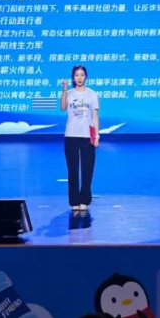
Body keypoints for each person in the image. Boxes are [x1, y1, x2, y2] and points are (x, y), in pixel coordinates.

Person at [61, 64, 100, 211]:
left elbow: (95, 117)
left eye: (82, 75)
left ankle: (85, 199)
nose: (79, 78)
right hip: (71, 135)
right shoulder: (69, 93)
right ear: (73, 77)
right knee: (72, 170)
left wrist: (96, 135)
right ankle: (74, 201)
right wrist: (64, 89)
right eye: (76, 75)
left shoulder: (92, 95)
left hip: (87, 136)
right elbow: (63, 107)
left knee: (87, 169)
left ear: (86, 77)